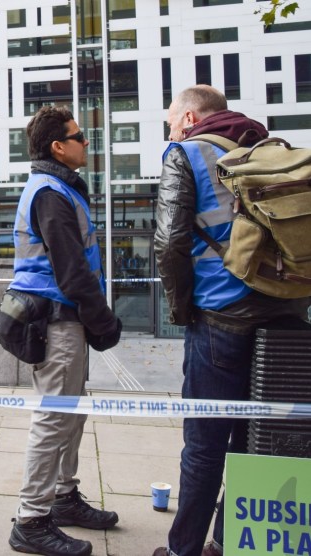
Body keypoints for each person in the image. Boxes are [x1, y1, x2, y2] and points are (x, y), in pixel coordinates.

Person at [152, 85, 311, 556]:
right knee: (257, 437)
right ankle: (229, 541)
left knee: (205, 444)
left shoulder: (185, 153)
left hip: (221, 316)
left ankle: (183, 550)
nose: (169, 128)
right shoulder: (273, 149)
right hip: (287, 313)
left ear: (188, 118)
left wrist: (182, 309)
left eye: (170, 120)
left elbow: (169, 241)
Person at [7, 105, 122, 556]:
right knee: (54, 419)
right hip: (56, 321)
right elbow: (73, 272)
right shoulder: (51, 193)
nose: (85, 142)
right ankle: (31, 520)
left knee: (70, 415)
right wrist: (104, 322)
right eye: (78, 136)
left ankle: (63, 497)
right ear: (58, 147)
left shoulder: (57, 188)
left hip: (63, 319)